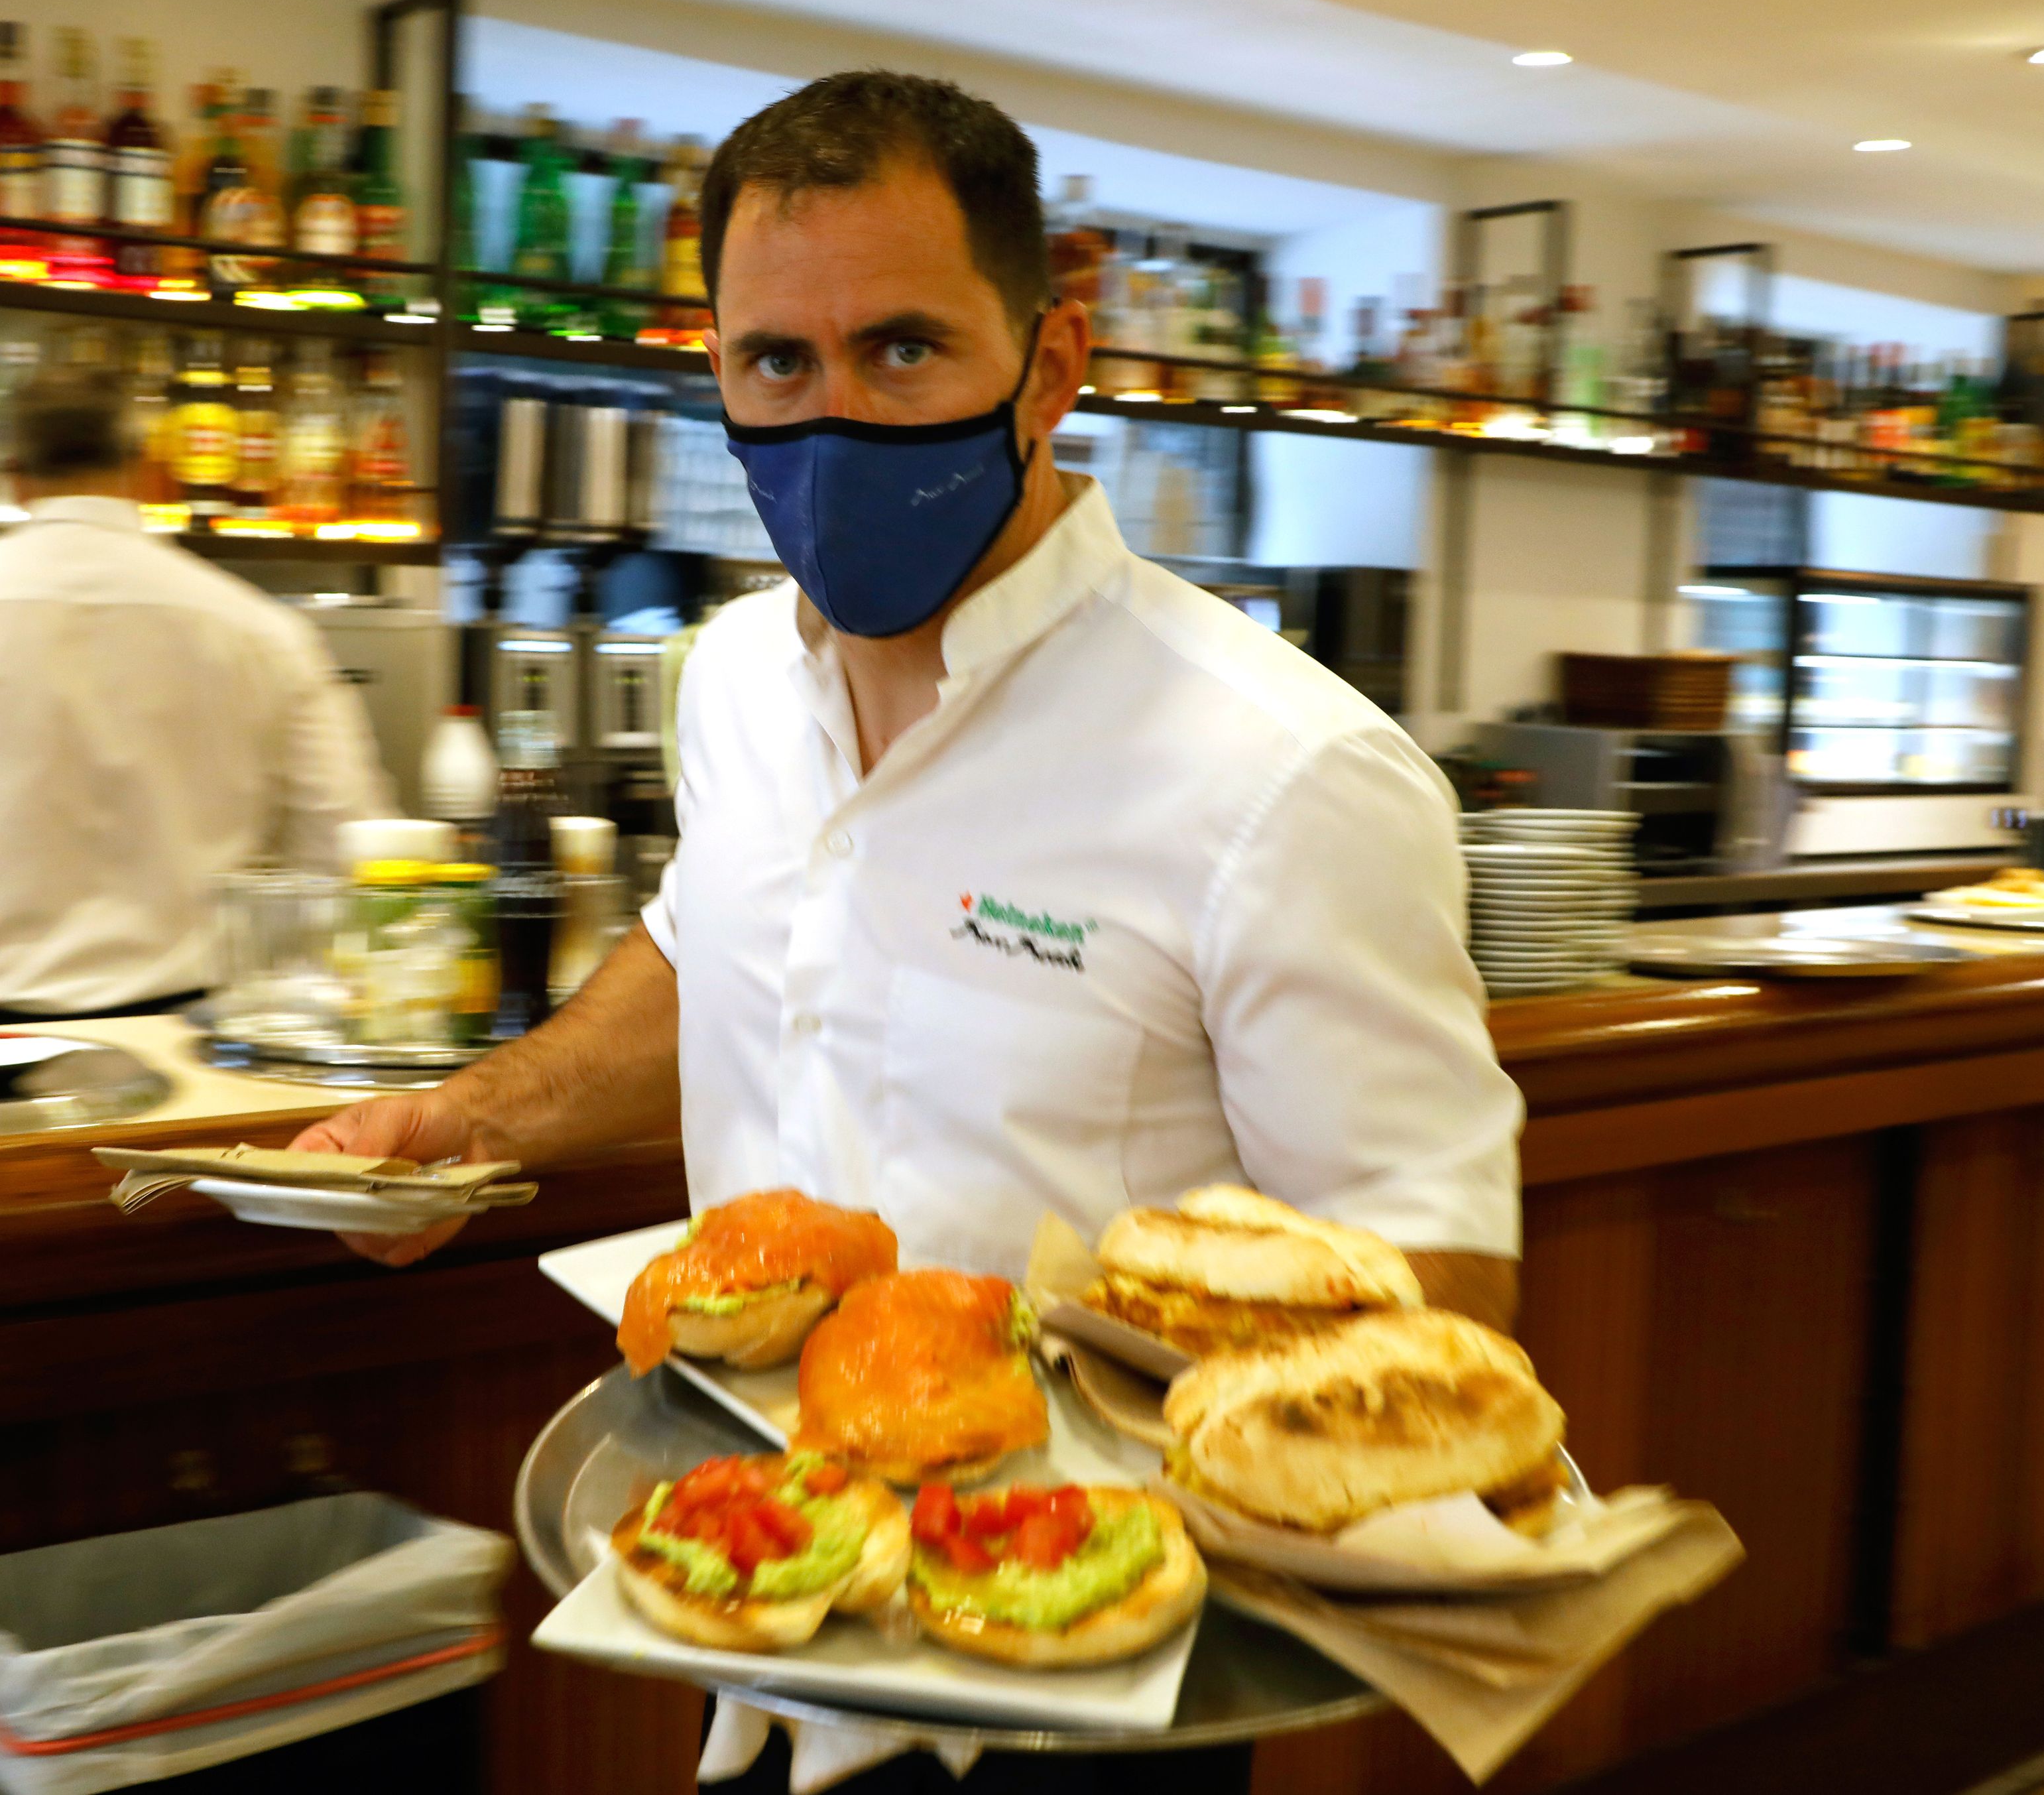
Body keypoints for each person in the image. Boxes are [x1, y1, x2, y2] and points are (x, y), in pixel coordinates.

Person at [298, 70, 1518, 1322]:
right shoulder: (732, 674)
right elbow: (730, 949)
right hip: (724, 1441)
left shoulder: (1291, 773)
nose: (836, 423)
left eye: (904, 349)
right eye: (779, 360)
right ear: (717, 370)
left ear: (1050, 367)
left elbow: (1442, 1285)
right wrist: (473, 1120)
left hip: (1083, 1456)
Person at [0, 362, 392, 1016]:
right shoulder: (262, 630)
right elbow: (345, 846)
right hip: (185, 1031)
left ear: (13, 473)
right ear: (140, 466)